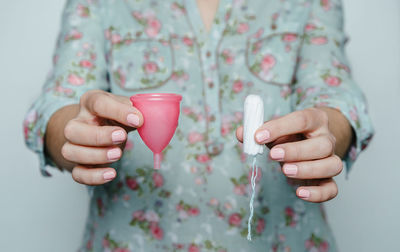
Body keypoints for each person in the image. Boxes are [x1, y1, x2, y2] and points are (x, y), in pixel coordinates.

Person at [24, 0, 374, 251]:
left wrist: (329, 133)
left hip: (284, 240)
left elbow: (336, 96)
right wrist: (75, 134)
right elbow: (56, 105)